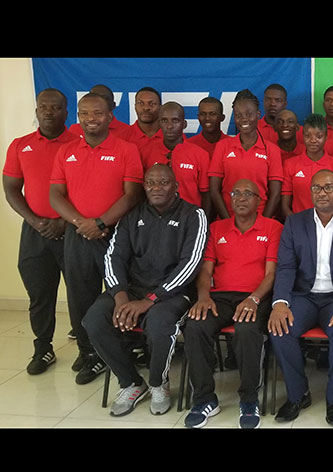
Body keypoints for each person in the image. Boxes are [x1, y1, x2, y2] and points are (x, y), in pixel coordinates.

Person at [82, 164, 207, 416]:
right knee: (94, 320)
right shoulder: (131, 215)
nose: (156, 187)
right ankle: (131, 382)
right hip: (132, 289)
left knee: (160, 325)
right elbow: (113, 257)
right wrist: (120, 298)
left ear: (175, 186)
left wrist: (151, 299)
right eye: (150, 183)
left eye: (163, 182)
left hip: (173, 291)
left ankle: (158, 384)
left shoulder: (194, 215)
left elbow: (191, 263)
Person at [49, 92, 144, 385]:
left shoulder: (126, 149)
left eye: (98, 113)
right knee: (80, 295)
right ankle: (89, 353)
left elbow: (132, 195)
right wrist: (82, 223)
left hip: (117, 234)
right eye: (85, 114)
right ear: (78, 116)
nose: (91, 119)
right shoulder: (66, 151)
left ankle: (125, 349)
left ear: (109, 116)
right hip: (78, 235)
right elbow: (55, 195)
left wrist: (102, 222)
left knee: (121, 292)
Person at [183, 178, 283, 429]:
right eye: (236, 193)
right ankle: (205, 399)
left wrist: (253, 299)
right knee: (195, 326)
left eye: (248, 194)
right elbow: (205, 270)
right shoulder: (217, 228)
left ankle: (249, 399)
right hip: (219, 296)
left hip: (255, 296)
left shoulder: (272, 227)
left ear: (259, 201)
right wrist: (203, 296)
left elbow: (272, 273)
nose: (241, 198)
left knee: (247, 329)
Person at [268, 169, 333, 426]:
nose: (322, 193)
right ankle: (299, 394)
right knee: (279, 330)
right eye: (317, 188)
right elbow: (286, 267)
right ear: (310, 192)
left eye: (328, 187)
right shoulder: (295, 223)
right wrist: (279, 303)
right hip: (304, 296)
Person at [3, 88, 79, 374]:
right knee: (40, 293)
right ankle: (43, 348)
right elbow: (11, 189)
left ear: (66, 112)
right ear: (36, 111)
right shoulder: (20, 145)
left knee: (80, 292)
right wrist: (35, 221)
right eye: (43, 107)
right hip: (35, 231)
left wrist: (65, 221)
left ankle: (88, 349)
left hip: (72, 230)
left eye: (55, 107)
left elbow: (88, 190)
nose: (48, 112)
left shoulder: (78, 144)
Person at [208, 89, 283, 220]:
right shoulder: (223, 147)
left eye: (249, 114)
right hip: (228, 218)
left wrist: (262, 222)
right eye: (238, 115)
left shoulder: (272, 150)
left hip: (260, 218)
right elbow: (214, 190)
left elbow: (275, 193)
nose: (244, 119)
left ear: (258, 114)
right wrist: (227, 221)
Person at [140, 101, 211, 216]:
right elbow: (140, 191)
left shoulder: (200, 154)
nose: (169, 126)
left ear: (184, 124)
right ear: (159, 123)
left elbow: (206, 195)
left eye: (175, 120)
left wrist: (204, 221)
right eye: (164, 120)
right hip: (155, 219)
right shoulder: (146, 152)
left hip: (189, 218)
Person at [281, 114, 333, 218]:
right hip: (299, 225)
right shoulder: (290, 164)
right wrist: (295, 224)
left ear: (326, 137)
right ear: (302, 136)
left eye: (319, 136)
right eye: (308, 136)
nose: (313, 140)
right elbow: (285, 204)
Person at [121, 87, 163, 151]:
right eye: (141, 103)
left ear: (160, 108)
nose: (146, 108)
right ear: (135, 106)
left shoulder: (172, 135)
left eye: (152, 104)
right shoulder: (122, 137)